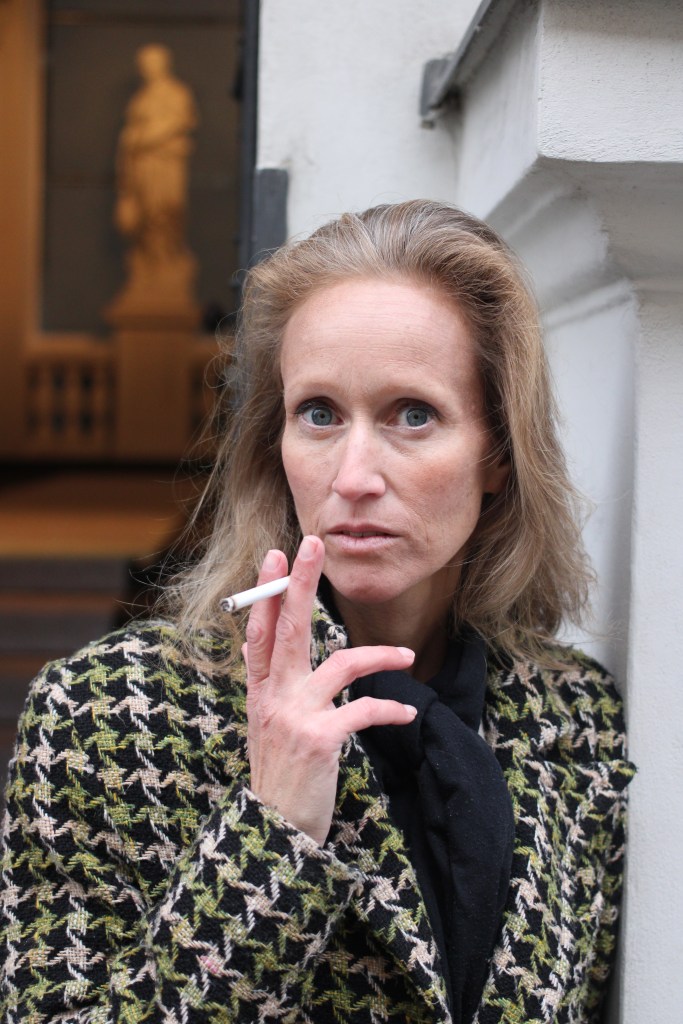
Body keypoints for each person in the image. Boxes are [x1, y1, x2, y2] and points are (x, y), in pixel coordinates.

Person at [0, 201, 634, 1024]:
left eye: (413, 414)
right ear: (277, 446)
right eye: (320, 414)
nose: (354, 476)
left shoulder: (573, 718)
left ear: (498, 455)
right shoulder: (108, 714)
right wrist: (273, 831)